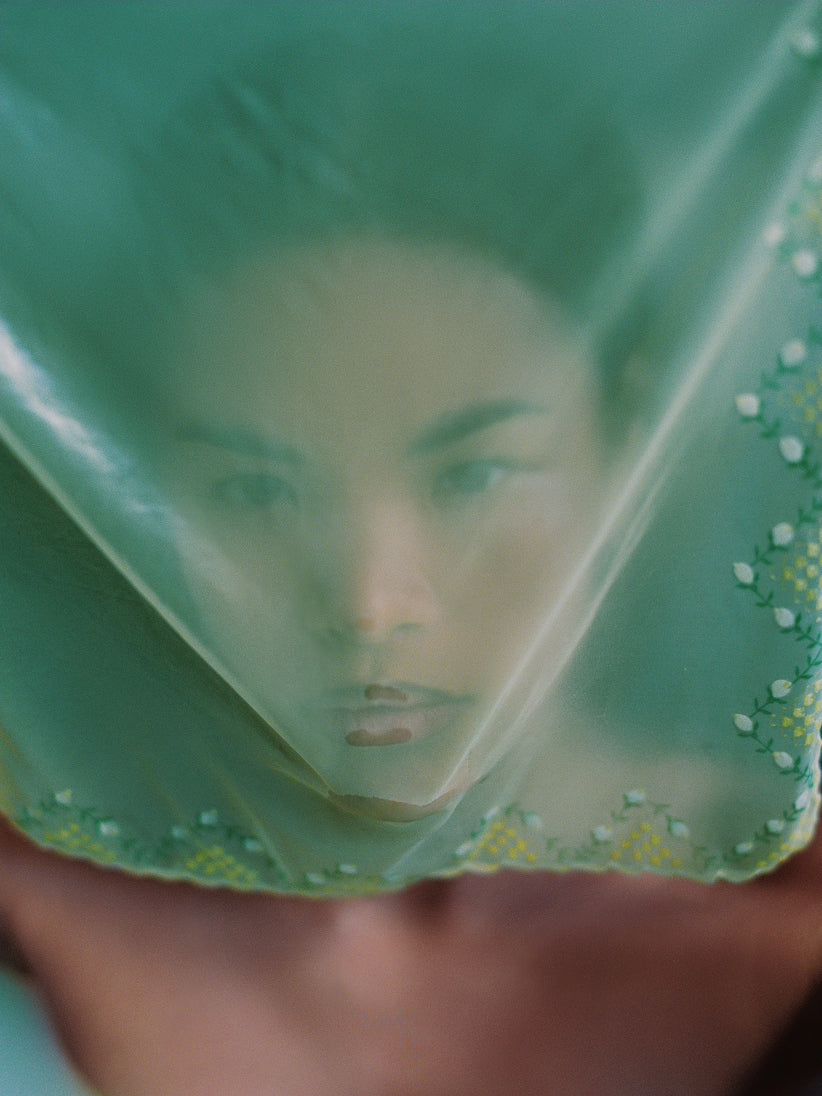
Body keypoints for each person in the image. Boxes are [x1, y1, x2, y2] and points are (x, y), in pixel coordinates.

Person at [1, 3, 822, 1093]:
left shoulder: (785, 930)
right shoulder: (35, 901)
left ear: (633, 448)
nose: (369, 602)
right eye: (257, 490)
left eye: (474, 475)